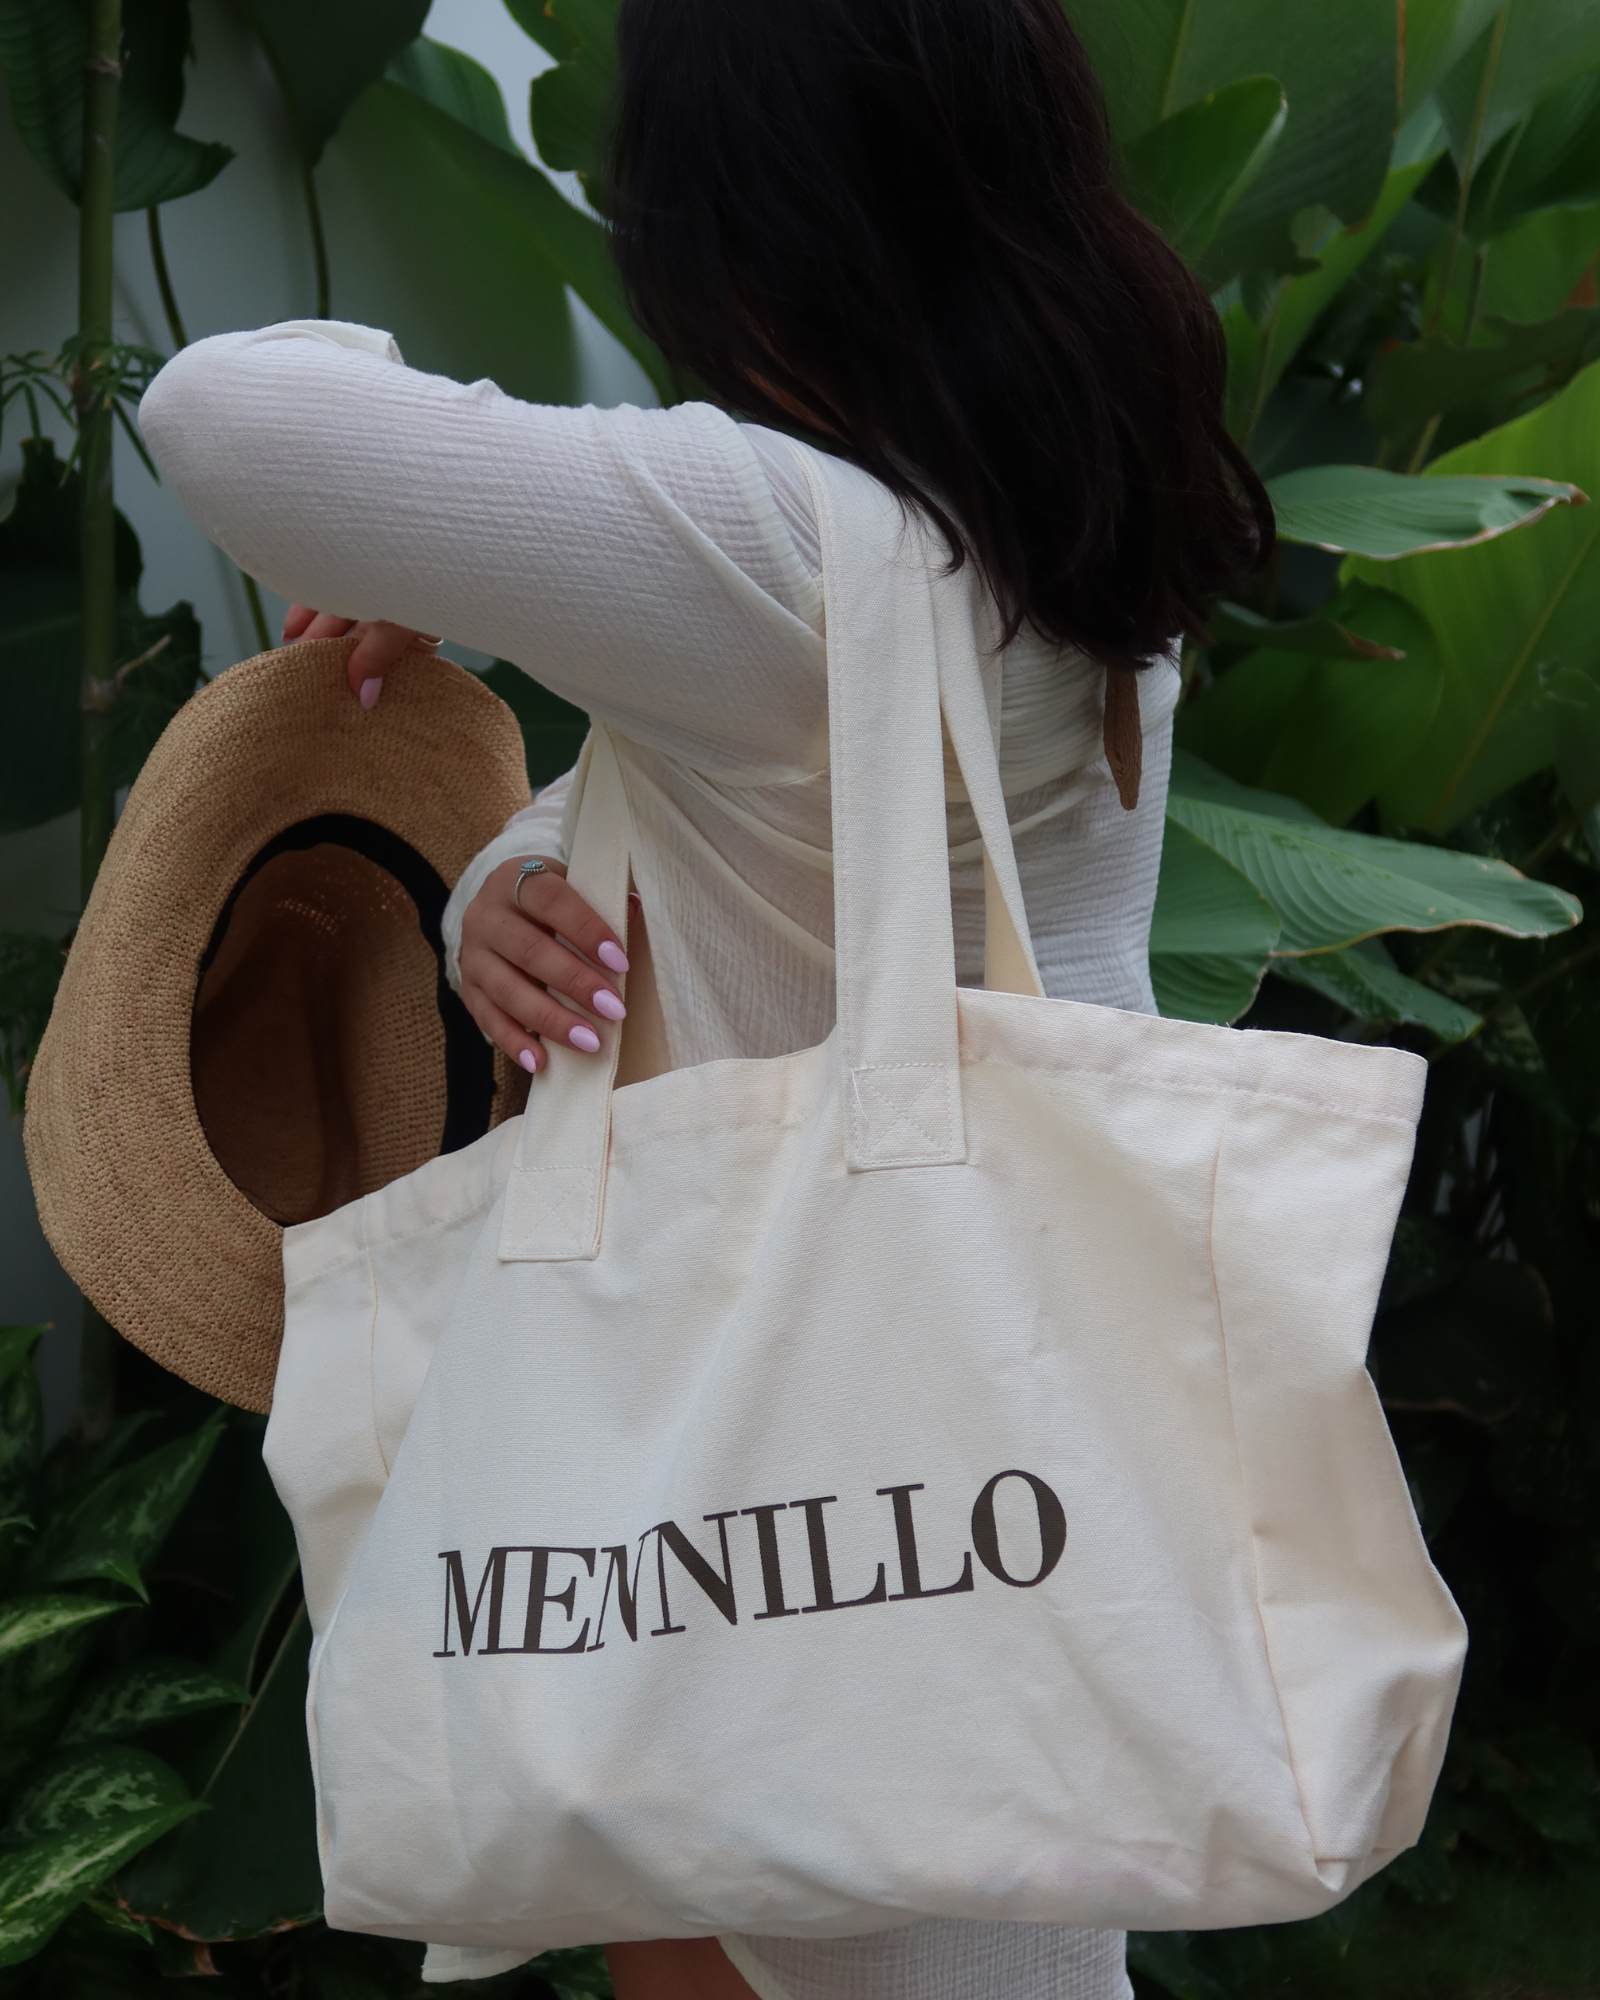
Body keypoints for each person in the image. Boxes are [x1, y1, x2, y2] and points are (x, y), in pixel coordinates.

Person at [138, 0, 1271, 1993]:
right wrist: (506, 885)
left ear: (736, 210)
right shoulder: (1061, 522)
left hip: (754, 1462)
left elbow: (220, 413)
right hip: (983, 1449)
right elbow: (770, 816)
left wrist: (432, 548)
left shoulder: (775, 540)